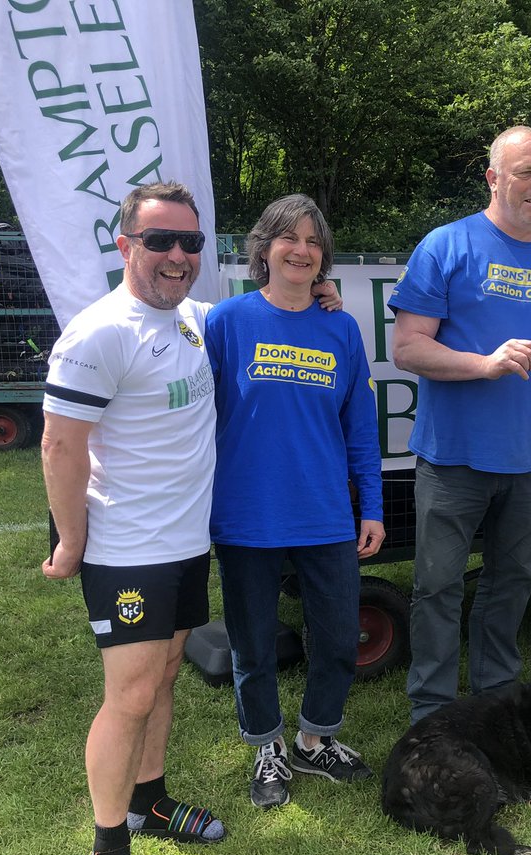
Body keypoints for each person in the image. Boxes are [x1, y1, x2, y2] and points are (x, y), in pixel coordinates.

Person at [42, 181, 225, 855]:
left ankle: (151, 800)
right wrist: (73, 541)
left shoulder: (191, 319)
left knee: (169, 672)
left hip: (185, 542)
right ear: (125, 246)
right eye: (159, 241)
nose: (177, 255)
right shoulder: (100, 332)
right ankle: (107, 848)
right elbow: (60, 445)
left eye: (190, 242)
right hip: (127, 550)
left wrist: (324, 294)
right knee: (132, 693)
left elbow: (263, 315)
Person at [389, 125, 531, 724]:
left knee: (512, 584)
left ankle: (496, 700)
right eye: (525, 172)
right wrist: (485, 364)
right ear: (493, 178)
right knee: (436, 588)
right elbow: (407, 349)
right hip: (454, 458)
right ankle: (431, 712)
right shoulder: (445, 247)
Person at [205, 194, 384, 809]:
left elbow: (361, 427)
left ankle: (315, 739)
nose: (301, 249)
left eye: (312, 241)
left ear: (323, 258)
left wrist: (374, 507)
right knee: (252, 644)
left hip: (324, 512)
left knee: (337, 636)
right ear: (264, 249)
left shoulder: (342, 327)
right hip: (245, 513)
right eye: (289, 238)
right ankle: (267, 746)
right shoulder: (225, 323)